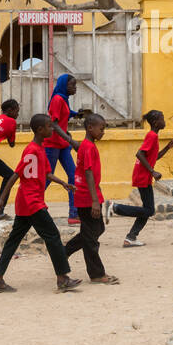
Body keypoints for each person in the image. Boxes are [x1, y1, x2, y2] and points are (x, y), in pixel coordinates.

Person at [0, 114, 82, 294]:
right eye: (49, 126)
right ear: (40, 130)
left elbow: (47, 173)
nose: (52, 129)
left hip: (27, 203)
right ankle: (62, 278)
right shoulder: (32, 150)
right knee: (53, 235)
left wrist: (62, 183)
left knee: (14, 240)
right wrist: (1, 199)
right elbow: (15, 175)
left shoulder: (39, 149)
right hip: (32, 202)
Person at [63, 113, 119, 284]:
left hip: (90, 194)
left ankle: (63, 252)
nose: (103, 133)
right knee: (91, 238)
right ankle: (96, 274)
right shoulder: (88, 147)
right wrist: (95, 200)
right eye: (101, 129)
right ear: (90, 128)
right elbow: (87, 172)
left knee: (96, 230)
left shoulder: (87, 146)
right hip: (87, 198)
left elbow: (89, 172)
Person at [110, 110, 173, 247]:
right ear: (156, 122)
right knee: (149, 210)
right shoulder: (151, 136)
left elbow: (153, 157)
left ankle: (130, 237)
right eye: (162, 119)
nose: (165, 121)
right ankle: (115, 208)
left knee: (147, 210)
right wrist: (152, 172)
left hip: (143, 176)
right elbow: (139, 154)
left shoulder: (154, 136)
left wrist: (168, 147)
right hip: (143, 176)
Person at [44, 74, 84, 225]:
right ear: (64, 85)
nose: (75, 88)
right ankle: (32, 205)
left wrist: (76, 114)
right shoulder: (58, 99)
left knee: (74, 176)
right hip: (52, 144)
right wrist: (71, 140)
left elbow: (65, 115)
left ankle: (74, 214)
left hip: (62, 145)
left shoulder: (63, 100)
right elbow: (54, 124)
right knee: (47, 177)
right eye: (72, 85)